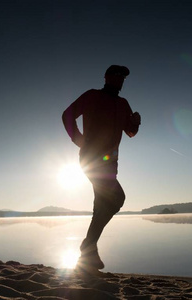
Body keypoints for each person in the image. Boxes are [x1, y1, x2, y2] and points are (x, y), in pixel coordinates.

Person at [62, 65, 141, 271]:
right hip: (91, 159)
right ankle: (89, 245)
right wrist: (79, 140)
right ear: (106, 77)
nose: (120, 80)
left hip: (111, 163)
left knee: (103, 205)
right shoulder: (92, 96)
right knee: (117, 199)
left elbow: (130, 132)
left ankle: (88, 254)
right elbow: (67, 115)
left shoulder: (123, 104)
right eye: (116, 76)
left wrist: (136, 124)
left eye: (123, 77)